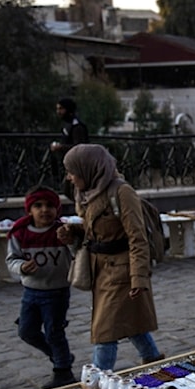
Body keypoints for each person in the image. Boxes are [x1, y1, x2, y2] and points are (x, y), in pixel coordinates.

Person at [56, 145, 163, 371]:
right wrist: (74, 232)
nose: (70, 177)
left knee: (105, 330)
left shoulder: (121, 192)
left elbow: (138, 238)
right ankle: (154, 361)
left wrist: (139, 278)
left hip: (122, 272)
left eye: (72, 171)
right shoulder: (88, 193)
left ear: (89, 168)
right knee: (130, 323)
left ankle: (99, 380)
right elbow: (95, 228)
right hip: (101, 270)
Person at [6, 186, 76, 389]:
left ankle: (63, 372)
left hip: (57, 291)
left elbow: (76, 253)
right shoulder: (20, 233)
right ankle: (59, 355)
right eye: (38, 206)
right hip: (31, 291)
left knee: (55, 331)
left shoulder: (61, 231)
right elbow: (11, 260)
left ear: (57, 209)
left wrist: (70, 240)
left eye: (49, 206)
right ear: (29, 210)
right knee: (26, 331)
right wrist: (22, 267)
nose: (44, 210)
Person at [51, 98, 89, 199]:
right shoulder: (69, 125)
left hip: (78, 164)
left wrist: (60, 147)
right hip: (71, 163)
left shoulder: (77, 126)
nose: (58, 112)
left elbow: (79, 146)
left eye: (61, 109)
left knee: (72, 190)